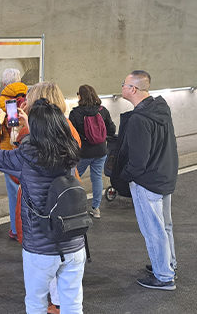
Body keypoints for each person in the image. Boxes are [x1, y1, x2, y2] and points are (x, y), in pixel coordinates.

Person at [0, 99, 86, 314]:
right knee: (72, 303)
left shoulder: (24, 157)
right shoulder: (70, 151)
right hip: (73, 241)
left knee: (36, 302)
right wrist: (30, 124)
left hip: (40, 247)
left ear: (35, 129)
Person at [14, 81, 82, 314]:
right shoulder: (67, 127)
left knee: (35, 296)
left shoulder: (31, 138)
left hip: (41, 212)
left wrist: (24, 133)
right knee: (71, 292)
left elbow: (21, 173)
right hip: (69, 205)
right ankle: (58, 303)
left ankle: (54, 303)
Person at [117, 70, 178, 290]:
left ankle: (163, 276)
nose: (121, 87)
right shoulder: (161, 109)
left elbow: (138, 161)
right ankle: (168, 264)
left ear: (133, 89)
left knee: (153, 229)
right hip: (164, 176)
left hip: (147, 181)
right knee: (165, 226)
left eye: (123, 84)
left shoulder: (139, 120)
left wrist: (123, 177)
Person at [69, 84, 116, 219]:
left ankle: (74, 207)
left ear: (80, 96)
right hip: (101, 151)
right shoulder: (103, 110)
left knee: (74, 178)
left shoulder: (76, 113)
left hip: (83, 153)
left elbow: (72, 135)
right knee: (96, 178)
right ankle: (96, 209)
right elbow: (111, 130)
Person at [0, 68, 28, 240]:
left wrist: (1, 143)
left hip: (10, 151)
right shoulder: (30, 96)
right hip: (28, 147)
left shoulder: (1, 101)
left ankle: (15, 229)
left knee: (14, 193)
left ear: (5, 83)